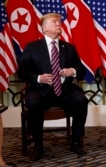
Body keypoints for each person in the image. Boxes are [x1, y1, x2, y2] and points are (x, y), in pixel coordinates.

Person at [17, 13, 88, 160]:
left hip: (65, 91)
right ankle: (38, 145)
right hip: (41, 91)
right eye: (54, 22)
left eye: (59, 22)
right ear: (44, 28)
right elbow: (22, 72)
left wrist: (72, 71)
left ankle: (75, 141)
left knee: (81, 100)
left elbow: (81, 70)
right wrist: (38, 78)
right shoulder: (32, 47)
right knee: (34, 103)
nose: (58, 24)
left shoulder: (69, 47)